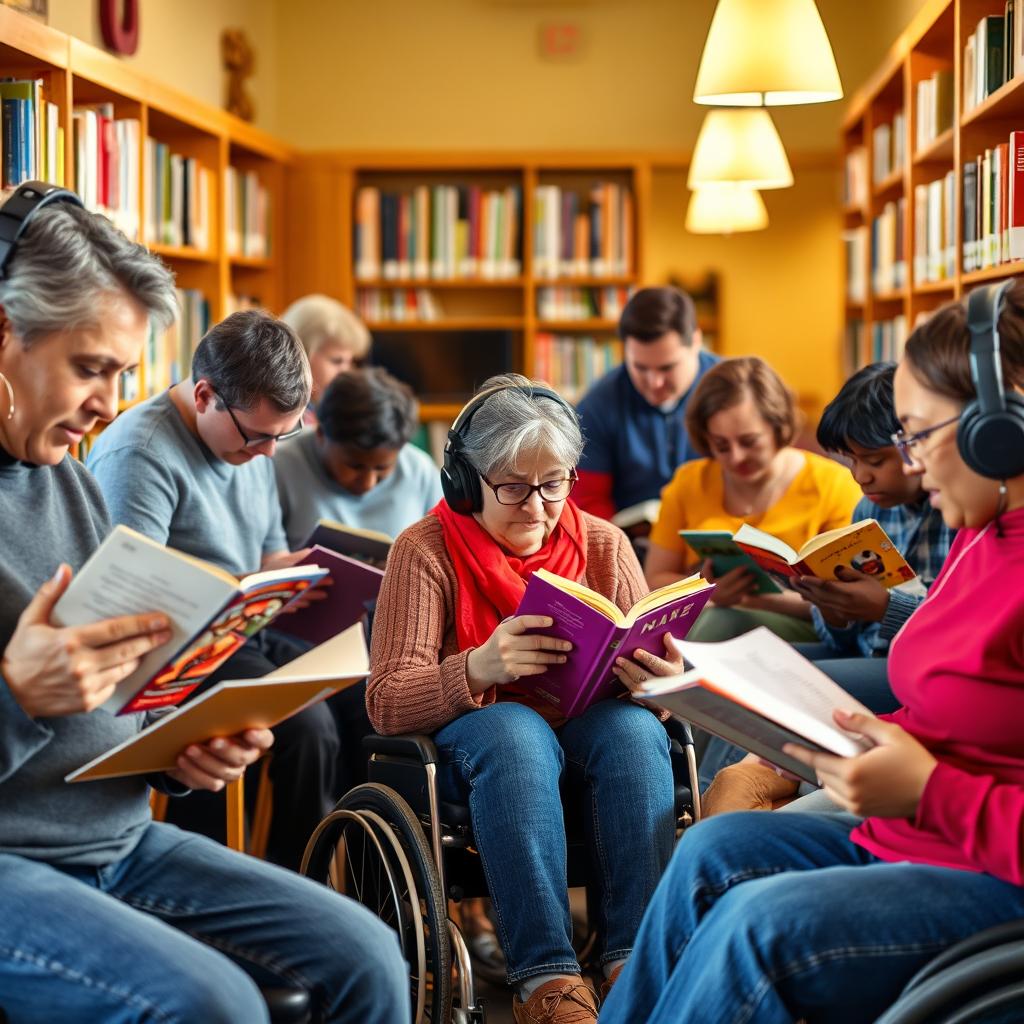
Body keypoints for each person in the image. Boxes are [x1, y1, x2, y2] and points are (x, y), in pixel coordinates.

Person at [0, 187, 408, 1023]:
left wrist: (175, 754)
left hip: (116, 836)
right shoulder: (116, 464)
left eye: (121, 373)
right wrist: (15, 697)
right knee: (215, 1004)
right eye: (88, 368)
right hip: (15, 860)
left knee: (371, 956)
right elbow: (43, 699)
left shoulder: (68, 483)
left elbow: (113, 695)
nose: (108, 403)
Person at [600, 283, 1024, 1024]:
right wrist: (843, 739)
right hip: (917, 837)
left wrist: (928, 791)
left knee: (753, 928)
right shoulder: (979, 531)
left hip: (987, 867)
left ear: (1000, 431)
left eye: (917, 435)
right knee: (710, 852)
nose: (911, 468)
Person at [368, 374, 682, 1024]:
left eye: (554, 483)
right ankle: (547, 978)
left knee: (634, 732)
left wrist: (663, 682)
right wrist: (476, 667)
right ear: (467, 481)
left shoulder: (603, 544)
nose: (537, 508)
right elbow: (388, 702)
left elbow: (650, 685)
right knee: (516, 732)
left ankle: (633, 961)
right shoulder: (422, 552)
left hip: (589, 725)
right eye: (512, 487)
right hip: (483, 740)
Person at [87, 309, 339, 871]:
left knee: (359, 692)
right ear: (205, 395)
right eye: (258, 436)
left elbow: (266, 549)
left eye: (284, 434)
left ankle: (322, 880)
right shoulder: (141, 452)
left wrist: (288, 573)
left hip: (242, 629)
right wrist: (243, 587)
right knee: (306, 726)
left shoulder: (250, 441)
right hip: (174, 653)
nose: (270, 453)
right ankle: (267, 882)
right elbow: (128, 599)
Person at [699, 362, 956, 798]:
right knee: (740, 668)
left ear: (917, 444)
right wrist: (834, 610)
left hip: (920, 668)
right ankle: (699, 792)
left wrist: (882, 608)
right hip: (864, 650)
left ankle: (716, 800)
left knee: (793, 682)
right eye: (851, 460)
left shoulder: (955, 508)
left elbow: (956, 626)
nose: (860, 475)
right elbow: (841, 640)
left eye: (874, 461)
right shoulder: (870, 510)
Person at [644, 356, 862, 644]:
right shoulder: (689, 481)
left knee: (720, 623)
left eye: (749, 441)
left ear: (778, 426)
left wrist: (750, 599)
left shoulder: (834, 485)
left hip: (802, 628)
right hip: (707, 619)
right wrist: (706, 589)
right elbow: (653, 581)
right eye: (721, 445)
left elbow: (849, 606)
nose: (736, 457)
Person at [573, 286, 718, 519]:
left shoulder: (733, 393)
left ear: (696, 342)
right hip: (631, 545)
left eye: (667, 367)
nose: (655, 382)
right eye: (640, 367)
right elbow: (588, 502)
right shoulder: (596, 406)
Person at [275, 366, 442, 549]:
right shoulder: (279, 464)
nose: (367, 483)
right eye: (354, 466)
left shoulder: (420, 471)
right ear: (321, 434)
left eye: (382, 468)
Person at [280, 293, 371, 426]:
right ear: (300, 354)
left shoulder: (327, 407)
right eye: (336, 361)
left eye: (349, 362)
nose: (346, 372)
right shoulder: (281, 419)